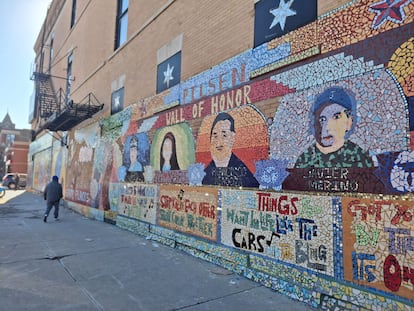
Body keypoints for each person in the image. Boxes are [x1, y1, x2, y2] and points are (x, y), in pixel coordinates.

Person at [295, 86, 373, 168]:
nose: (327, 127)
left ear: (349, 121)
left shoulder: (359, 158)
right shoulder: (304, 160)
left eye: (336, 117)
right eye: (322, 119)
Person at [202, 112, 259, 187]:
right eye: (215, 136)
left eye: (224, 135)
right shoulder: (205, 173)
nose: (218, 142)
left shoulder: (242, 171)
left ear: (232, 137)